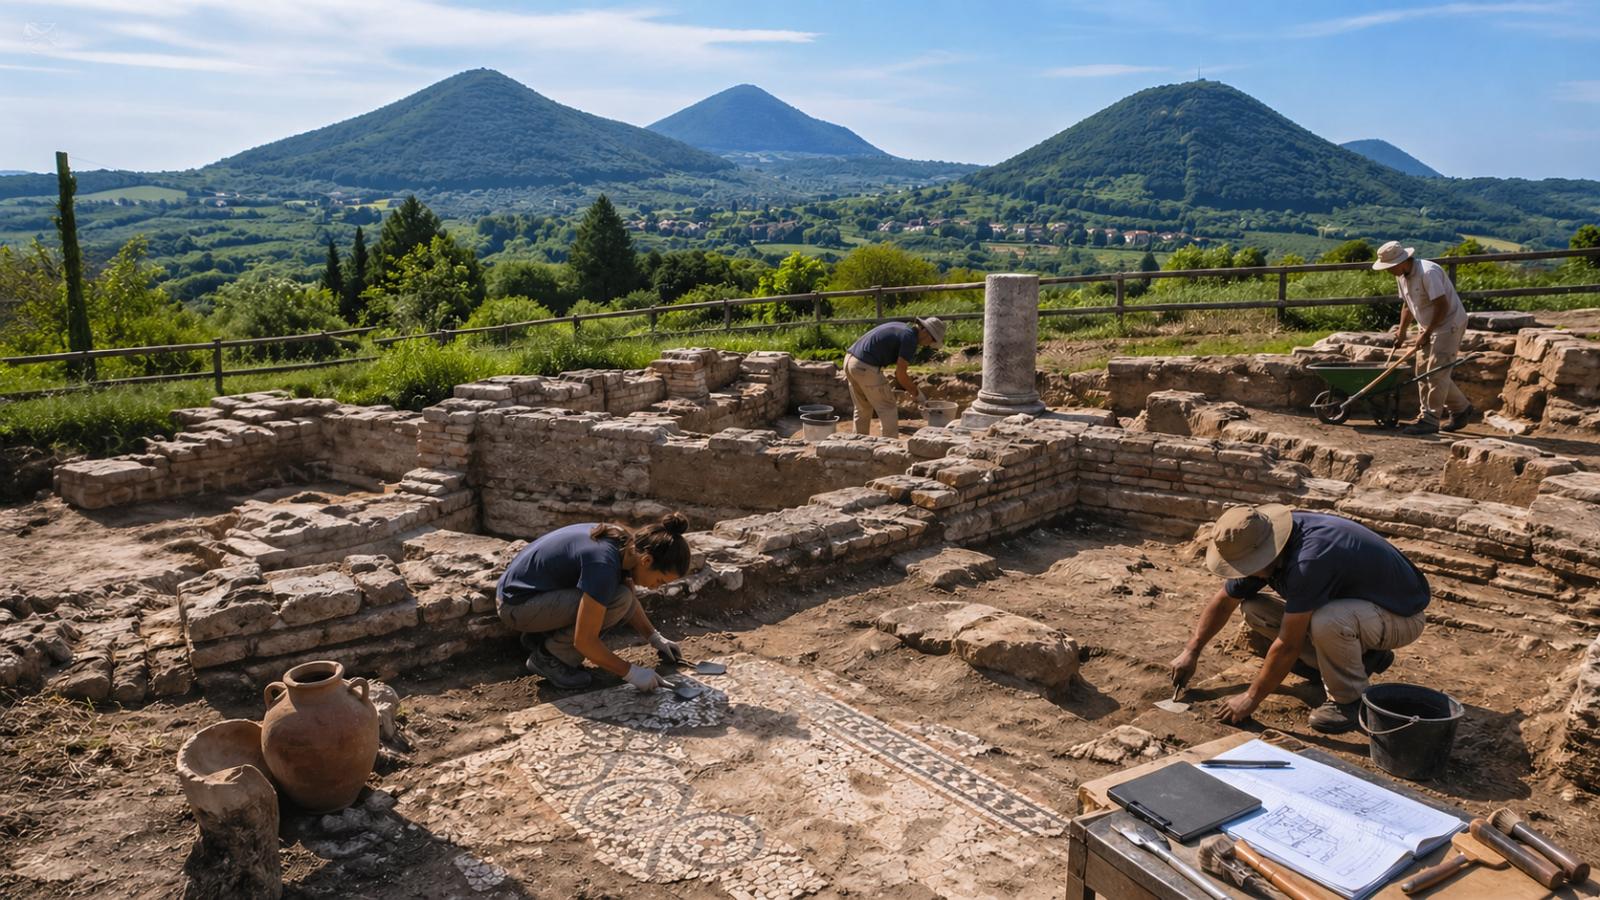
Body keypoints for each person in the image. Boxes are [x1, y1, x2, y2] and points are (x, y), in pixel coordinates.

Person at [1169, 504, 1430, 735]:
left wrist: (1251, 698)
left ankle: (1349, 701)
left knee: (1328, 621)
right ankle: (1361, 658)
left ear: (1265, 553)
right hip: (1361, 610)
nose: (1242, 573)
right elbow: (1224, 601)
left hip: (1400, 616)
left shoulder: (1309, 561)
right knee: (1255, 609)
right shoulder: (1262, 538)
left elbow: (1288, 643)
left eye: (1247, 565)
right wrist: (1191, 651)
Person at [495, 513, 691, 692]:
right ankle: (549, 657)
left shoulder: (626, 544)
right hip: (517, 607)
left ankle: (541, 637)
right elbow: (585, 641)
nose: (655, 587)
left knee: (623, 597)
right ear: (647, 561)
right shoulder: (603, 565)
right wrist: (631, 672)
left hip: (529, 593)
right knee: (618, 599)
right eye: (660, 581)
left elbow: (631, 602)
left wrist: (655, 638)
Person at [1372, 240, 1474, 435]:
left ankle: (1430, 419)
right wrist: (1402, 332)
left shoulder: (1428, 272)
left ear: (1401, 261)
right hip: (1427, 325)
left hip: (1448, 325)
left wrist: (1427, 334)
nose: (1387, 271)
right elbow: (1406, 305)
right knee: (1424, 372)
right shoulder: (1402, 275)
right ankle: (1460, 408)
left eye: (1389, 267)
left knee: (1435, 372)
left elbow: (1442, 306)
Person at [842, 316, 947, 438]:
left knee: (863, 408)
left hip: (850, 360)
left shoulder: (902, 328)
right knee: (888, 407)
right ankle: (889, 445)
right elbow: (900, 374)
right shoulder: (910, 339)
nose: (930, 344)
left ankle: (857, 443)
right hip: (865, 366)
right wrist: (918, 395)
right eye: (933, 340)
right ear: (925, 331)